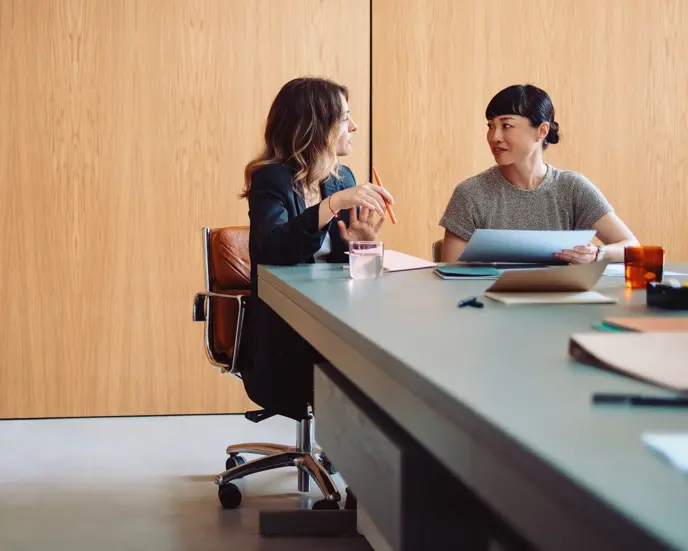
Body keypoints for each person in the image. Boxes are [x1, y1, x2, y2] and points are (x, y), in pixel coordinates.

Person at [240, 77, 393, 419]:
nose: (354, 127)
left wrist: (363, 245)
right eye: (344, 119)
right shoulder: (271, 178)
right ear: (315, 126)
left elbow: (341, 266)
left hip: (335, 317)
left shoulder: (342, 178)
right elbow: (272, 251)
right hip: (286, 326)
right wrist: (331, 205)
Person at [440, 84, 638, 263]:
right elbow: (450, 275)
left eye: (506, 125)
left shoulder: (572, 188)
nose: (494, 137)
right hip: (487, 301)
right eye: (491, 126)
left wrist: (597, 253)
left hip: (562, 301)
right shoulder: (470, 193)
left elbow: (631, 246)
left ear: (541, 131)